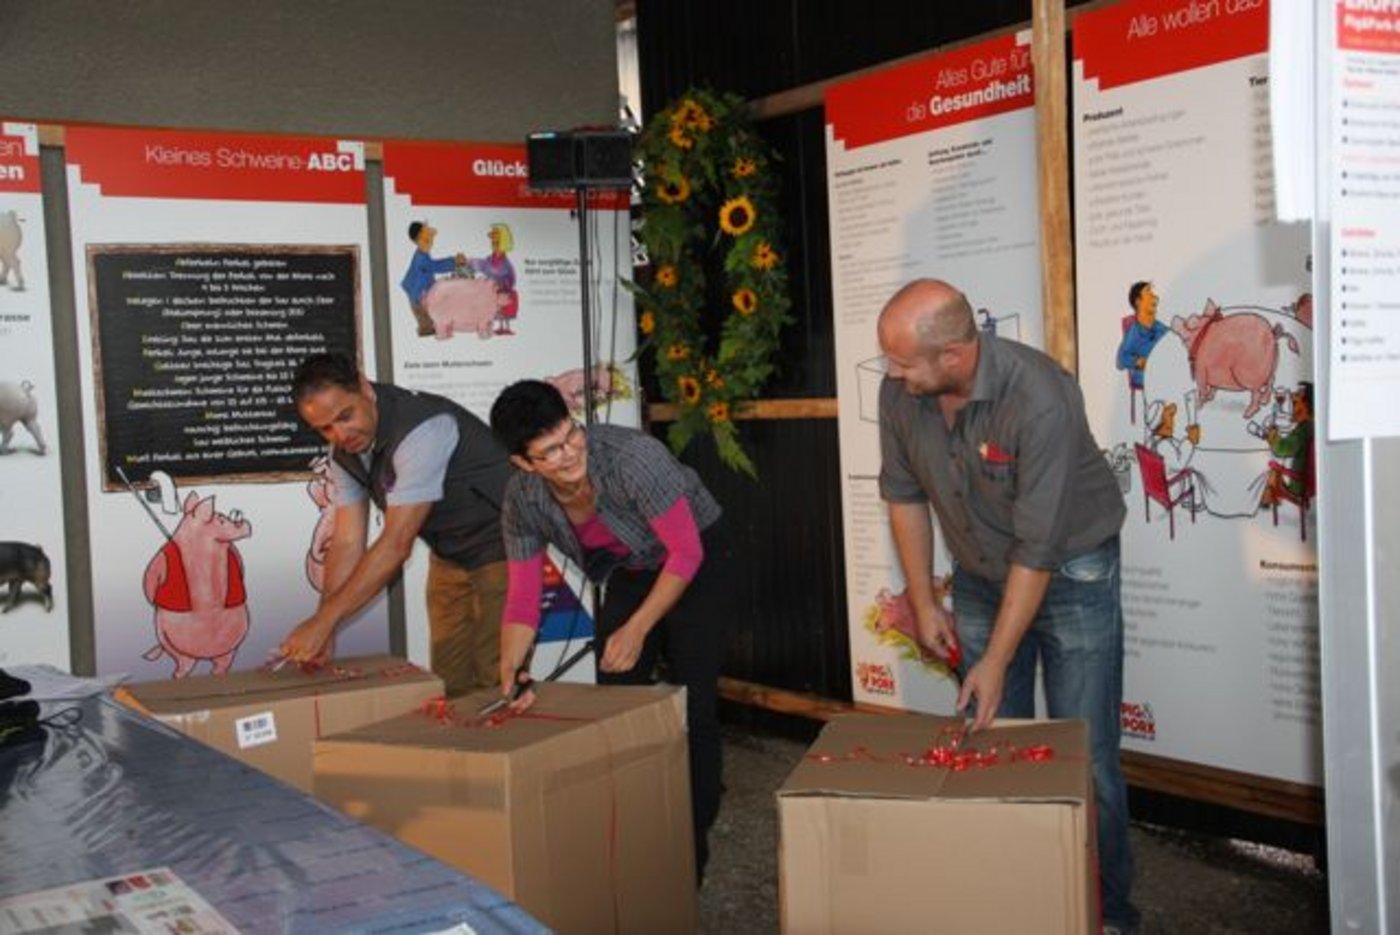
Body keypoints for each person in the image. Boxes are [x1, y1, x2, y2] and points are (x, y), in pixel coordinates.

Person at [877, 279, 1139, 934]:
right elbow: (904, 494)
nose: (891, 372)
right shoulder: (901, 394)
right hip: (978, 572)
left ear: (955, 357)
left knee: (1087, 757)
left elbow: (1039, 545)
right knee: (991, 745)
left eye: (904, 361)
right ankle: (1021, 900)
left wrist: (994, 657)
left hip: (1071, 566)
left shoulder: (1041, 396)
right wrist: (921, 596)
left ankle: (1111, 917)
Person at [488, 379, 731, 881]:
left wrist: (638, 628)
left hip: (698, 558)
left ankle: (690, 850)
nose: (569, 453)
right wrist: (511, 670)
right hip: (633, 570)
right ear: (523, 463)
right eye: (549, 452)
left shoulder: (633, 457)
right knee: (617, 697)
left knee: (695, 701)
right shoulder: (523, 500)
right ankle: (634, 824)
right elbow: (522, 597)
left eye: (570, 435)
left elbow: (686, 553)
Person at [278, 354, 512, 697]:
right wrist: (323, 626)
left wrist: (325, 621)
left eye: (346, 416)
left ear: (363, 387)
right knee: (449, 680)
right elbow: (345, 542)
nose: (340, 434)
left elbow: (396, 543)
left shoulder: (422, 430)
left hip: (506, 546)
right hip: (449, 555)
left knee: (497, 675)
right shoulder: (343, 454)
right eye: (325, 428)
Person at [401, 221, 464, 337]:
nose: (429, 243)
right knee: (425, 320)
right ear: (416, 241)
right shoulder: (421, 258)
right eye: (425, 240)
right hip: (417, 296)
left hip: (422, 292)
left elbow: (432, 268)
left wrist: (453, 262)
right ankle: (428, 330)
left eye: (429, 240)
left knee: (432, 312)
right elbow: (435, 266)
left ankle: (432, 328)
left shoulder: (423, 254)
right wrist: (453, 262)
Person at [467, 222, 519, 335]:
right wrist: (471, 263)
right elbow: (485, 265)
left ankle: (505, 327)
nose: (494, 243)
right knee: (496, 311)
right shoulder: (490, 258)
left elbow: (496, 271)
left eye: (496, 241)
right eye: (493, 241)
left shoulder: (505, 263)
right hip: (493, 291)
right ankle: (499, 326)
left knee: (503, 311)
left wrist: (500, 283)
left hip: (503, 290)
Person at [1116, 280, 1167, 393]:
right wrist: (1139, 361)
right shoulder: (1135, 331)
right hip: (1148, 381)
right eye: (1149, 292)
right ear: (1138, 301)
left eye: (1153, 293)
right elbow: (1121, 360)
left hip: (1165, 376)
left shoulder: (1162, 329)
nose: (1155, 297)